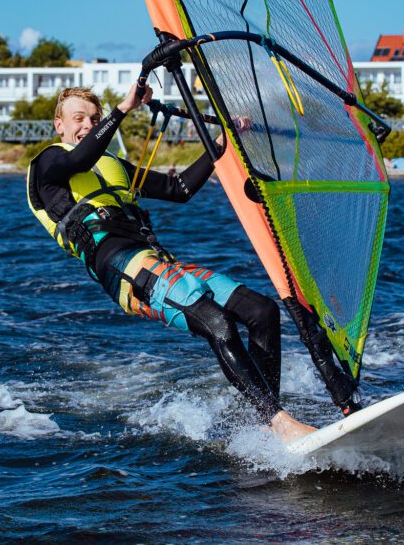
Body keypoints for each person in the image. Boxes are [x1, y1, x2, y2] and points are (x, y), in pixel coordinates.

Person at [26, 85, 317, 442]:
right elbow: (78, 161)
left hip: (158, 260)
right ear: (59, 125)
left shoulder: (112, 164)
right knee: (218, 322)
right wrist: (123, 109)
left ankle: (261, 420)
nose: (88, 125)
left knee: (262, 311)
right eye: (78, 118)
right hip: (121, 267)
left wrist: (222, 142)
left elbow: (179, 189)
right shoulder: (48, 163)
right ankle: (280, 424)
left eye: (94, 118)